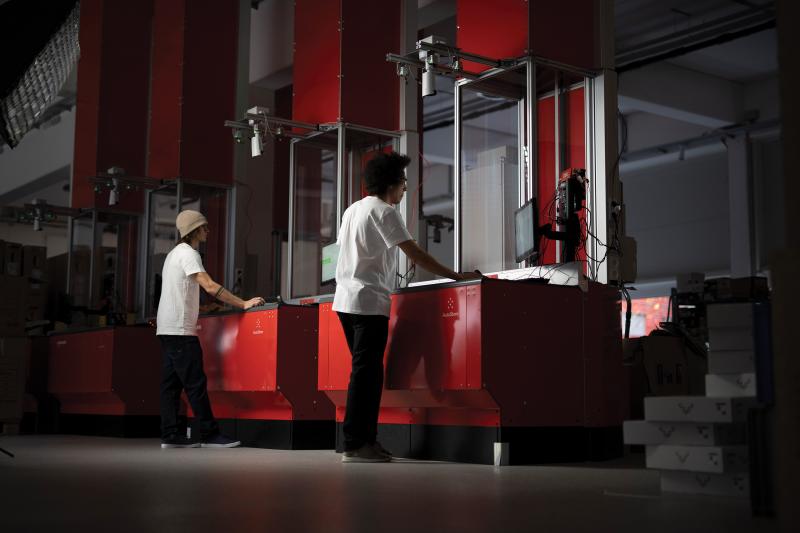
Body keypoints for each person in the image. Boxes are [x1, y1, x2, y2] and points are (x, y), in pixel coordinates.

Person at [333, 152, 481, 463]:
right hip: (368, 302)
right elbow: (415, 254)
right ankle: (356, 445)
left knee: (364, 375)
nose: (404, 189)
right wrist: (456, 275)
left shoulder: (352, 210)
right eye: (403, 183)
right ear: (393, 183)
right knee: (367, 376)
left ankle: (363, 441)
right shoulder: (385, 211)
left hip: (345, 301)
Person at [156, 209, 265, 449]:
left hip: (167, 328)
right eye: (204, 227)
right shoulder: (189, 254)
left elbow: (181, 291)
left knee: (171, 386)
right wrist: (243, 302)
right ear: (194, 231)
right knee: (195, 383)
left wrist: (204, 309)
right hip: (180, 331)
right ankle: (209, 434)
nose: (208, 230)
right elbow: (208, 284)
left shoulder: (174, 254)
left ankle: (170, 435)